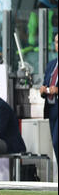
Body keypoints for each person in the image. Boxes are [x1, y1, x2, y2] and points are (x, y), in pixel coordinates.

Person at [40, 34, 58, 164]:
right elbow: (46, 83)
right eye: (56, 42)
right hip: (51, 108)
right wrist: (43, 90)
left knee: (57, 140)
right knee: (55, 143)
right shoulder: (51, 65)